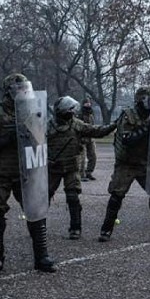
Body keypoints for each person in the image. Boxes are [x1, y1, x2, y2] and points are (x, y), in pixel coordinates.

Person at [0, 73, 57, 274]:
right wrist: (11, 135)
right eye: (18, 89)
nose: (22, 92)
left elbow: (45, 135)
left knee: (35, 210)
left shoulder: (32, 109)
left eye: (25, 89)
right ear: (9, 91)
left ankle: (42, 256)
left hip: (27, 169)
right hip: (1, 171)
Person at [98, 86, 150, 244]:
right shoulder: (128, 115)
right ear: (140, 101)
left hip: (146, 162)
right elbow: (127, 139)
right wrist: (147, 126)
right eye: (149, 100)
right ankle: (106, 229)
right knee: (117, 195)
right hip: (127, 163)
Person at [47, 96, 116, 239]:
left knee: (73, 197)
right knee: (44, 197)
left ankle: (75, 229)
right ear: (62, 111)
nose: (72, 112)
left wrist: (114, 125)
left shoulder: (76, 124)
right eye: (70, 110)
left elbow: (97, 131)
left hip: (71, 167)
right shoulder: (48, 126)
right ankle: (37, 226)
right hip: (53, 167)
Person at [78, 98, 98, 181]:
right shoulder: (80, 114)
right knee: (82, 158)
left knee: (93, 156)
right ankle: (81, 175)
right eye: (86, 103)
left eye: (89, 103)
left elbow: (93, 125)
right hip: (82, 138)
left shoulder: (91, 114)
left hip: (90, 138)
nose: (88, 104)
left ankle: (89, 172)